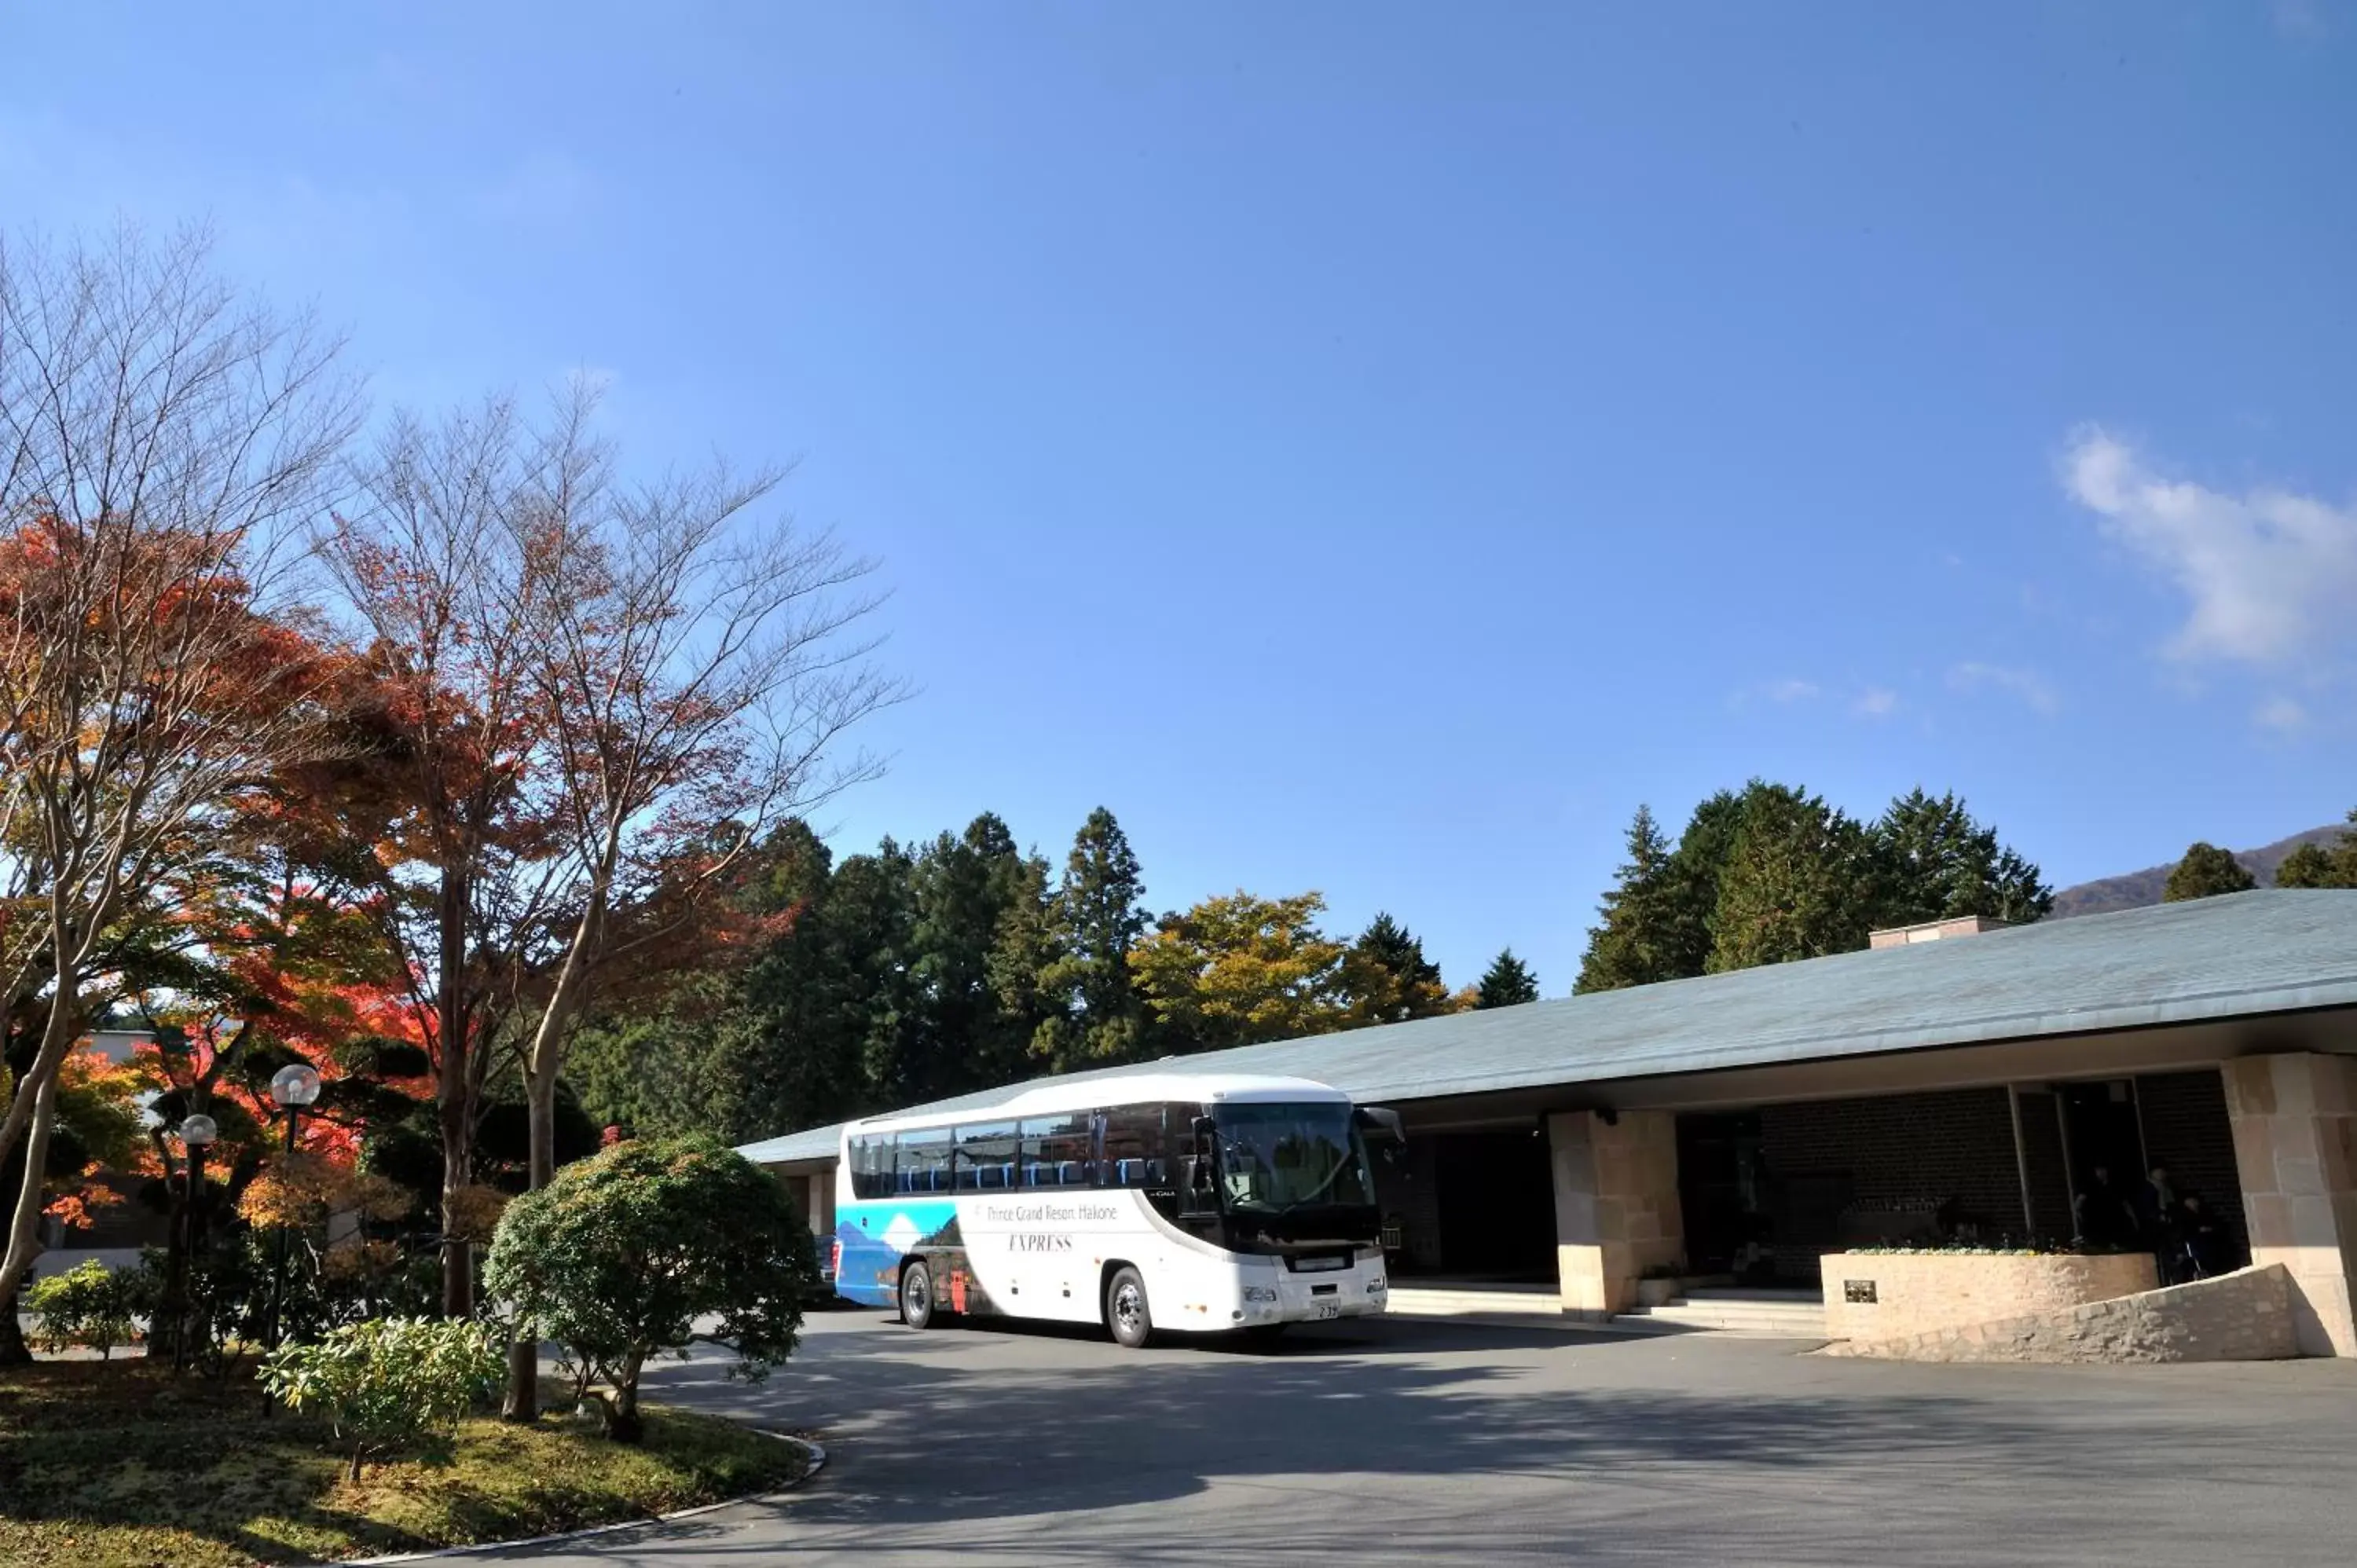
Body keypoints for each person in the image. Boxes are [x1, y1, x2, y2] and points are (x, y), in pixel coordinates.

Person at [2073, 1164, 2135, 1251]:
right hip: (2096, 1225)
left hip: (2115, 1224)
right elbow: (2079, 1203)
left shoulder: (2115, 1186)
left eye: (2103, 1170)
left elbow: (2125, 1204)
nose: (2101, 1173)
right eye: (2098, 1170)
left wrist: (2133, 1218)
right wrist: (2079, 1216)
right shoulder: (2089, 1187)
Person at [2139, 1164, 2182, 1283]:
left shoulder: (2166, 1188)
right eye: (2159, 1171)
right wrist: (2158, 1216)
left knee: (2167, 1254)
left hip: (2165, 1225)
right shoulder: (2149, 1188)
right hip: (2154, 1226)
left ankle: (2170, 1278)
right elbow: (2147, 1207)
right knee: (2159, 1254)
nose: (2162, 1174)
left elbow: (2171, 1205)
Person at [2177, 1191, 2228, 1281]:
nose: (2194, 1203)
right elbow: (2184, 1231)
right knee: (2197, 1263)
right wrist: (2198, 1230)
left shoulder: (2204, 1213)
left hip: (2206, 1243)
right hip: (2193, 1244)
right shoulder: (2183, 1215)